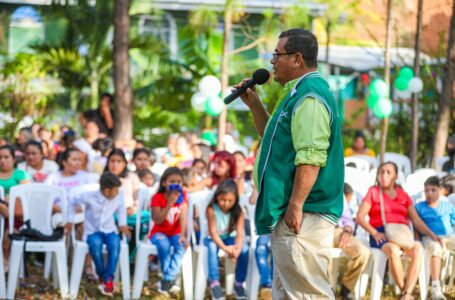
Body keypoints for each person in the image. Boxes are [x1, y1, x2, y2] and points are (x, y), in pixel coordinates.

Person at [236, 28, 344, 298]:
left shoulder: (310, 97)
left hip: (304, 212)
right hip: (295, 210)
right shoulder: (295, 92)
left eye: (277, 54)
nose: (272, 61)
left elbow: (310, 158)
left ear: (296, 58)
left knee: (308, 293)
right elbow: (275, 140)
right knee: (287, 291)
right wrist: (255, 106)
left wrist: (295, 206)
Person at [356, 162, 441, 300]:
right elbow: (360, 217)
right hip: (381, 233)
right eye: (381, 172)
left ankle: (405, 293)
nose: (384, 175)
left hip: (402, 234)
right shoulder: (374, 192)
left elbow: (416, 220)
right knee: (394, 250)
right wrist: (374, 233)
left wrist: (432, 235)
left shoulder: (403, 195)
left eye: (388, 172)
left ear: (395, 176)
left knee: (418, 249)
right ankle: (405, 292)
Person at [65, 172, 130, 297]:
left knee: (115, 248)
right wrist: (69, 220)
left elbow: (121, 211)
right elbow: (72, 202)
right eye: (115, 190)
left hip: (110, 230)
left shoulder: (118, 196)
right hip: (93, 231)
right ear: (106, 190)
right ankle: (102, 274)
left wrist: (122, 224)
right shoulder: (90, 196)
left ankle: (108, 278)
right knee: (95, 246)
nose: (117, 192)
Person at [205, 179, 248, 300]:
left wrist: (237, 250)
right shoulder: (211, 210)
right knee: (212, 247)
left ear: (235, 200)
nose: (226, 203)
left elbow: (240, 233)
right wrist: (226, 249)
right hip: (213, 239)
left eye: (230, 200)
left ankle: (239, 283)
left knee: (245, 249)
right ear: (217, 196)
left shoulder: (238, 211)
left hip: (230, 238)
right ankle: (214, 283)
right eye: (223, 200)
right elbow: (213, 233)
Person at [149, 167, 189, 295]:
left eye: (179, 182)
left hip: (176, 232)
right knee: (164, 245)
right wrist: (170, 203)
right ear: (164, 183)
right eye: (172, 181)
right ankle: (171, 279)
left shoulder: (183, 197)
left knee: (181, 245)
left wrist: (183, 235)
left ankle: (167, 278)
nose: (176, 185)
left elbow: (183, 217)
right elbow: (158, 220)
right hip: (159, 232)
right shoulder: (157, 198)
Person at [415, 176, 455, 300]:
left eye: (433, 190)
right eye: (426, 190)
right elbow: (415, 227)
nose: (429, 194)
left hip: (449, 236)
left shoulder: (447, 206)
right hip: (429, 238)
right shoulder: (419, 207)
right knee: (436, 248)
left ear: (440, 190)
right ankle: (436, 288)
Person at [334, 184, 371, 300]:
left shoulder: (339, 195)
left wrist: (348, 230)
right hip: (315, 230)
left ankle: (346, 287)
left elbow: (348, 220)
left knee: (364, 253)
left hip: (338, 231)